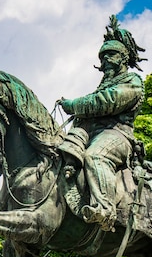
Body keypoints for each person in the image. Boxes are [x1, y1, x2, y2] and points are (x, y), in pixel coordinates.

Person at [58, 16, 146, 231]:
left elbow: (106, 102)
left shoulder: (132, 82)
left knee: (96, 156)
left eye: (111, 55)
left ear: (124, 57)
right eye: (102, 55)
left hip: (117, 136)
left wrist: (74, 104)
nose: (105, 59)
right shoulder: (103, 84)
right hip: (91, 133)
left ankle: (105, 209)